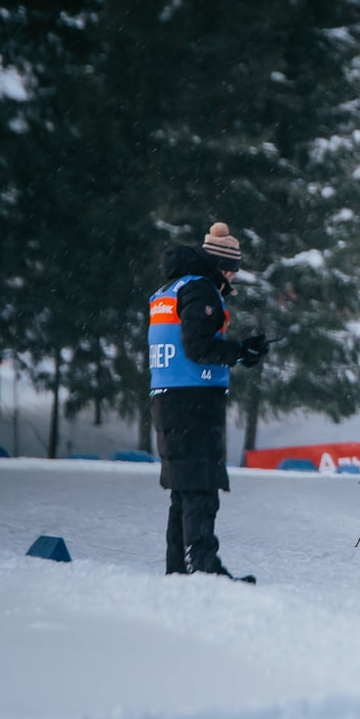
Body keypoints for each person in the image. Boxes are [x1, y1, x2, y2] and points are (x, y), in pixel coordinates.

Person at [149, 222, 268, 582]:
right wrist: (240, 351)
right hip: (193, 399)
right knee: (200, 485)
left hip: (168, 396)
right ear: (220, 265)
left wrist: (238, 353)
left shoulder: (170, 289)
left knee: (184, 487)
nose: (233, 276)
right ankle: (202, 567)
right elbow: (198, 347)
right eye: (232, 268)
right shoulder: (201, 290)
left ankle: (180, 569)